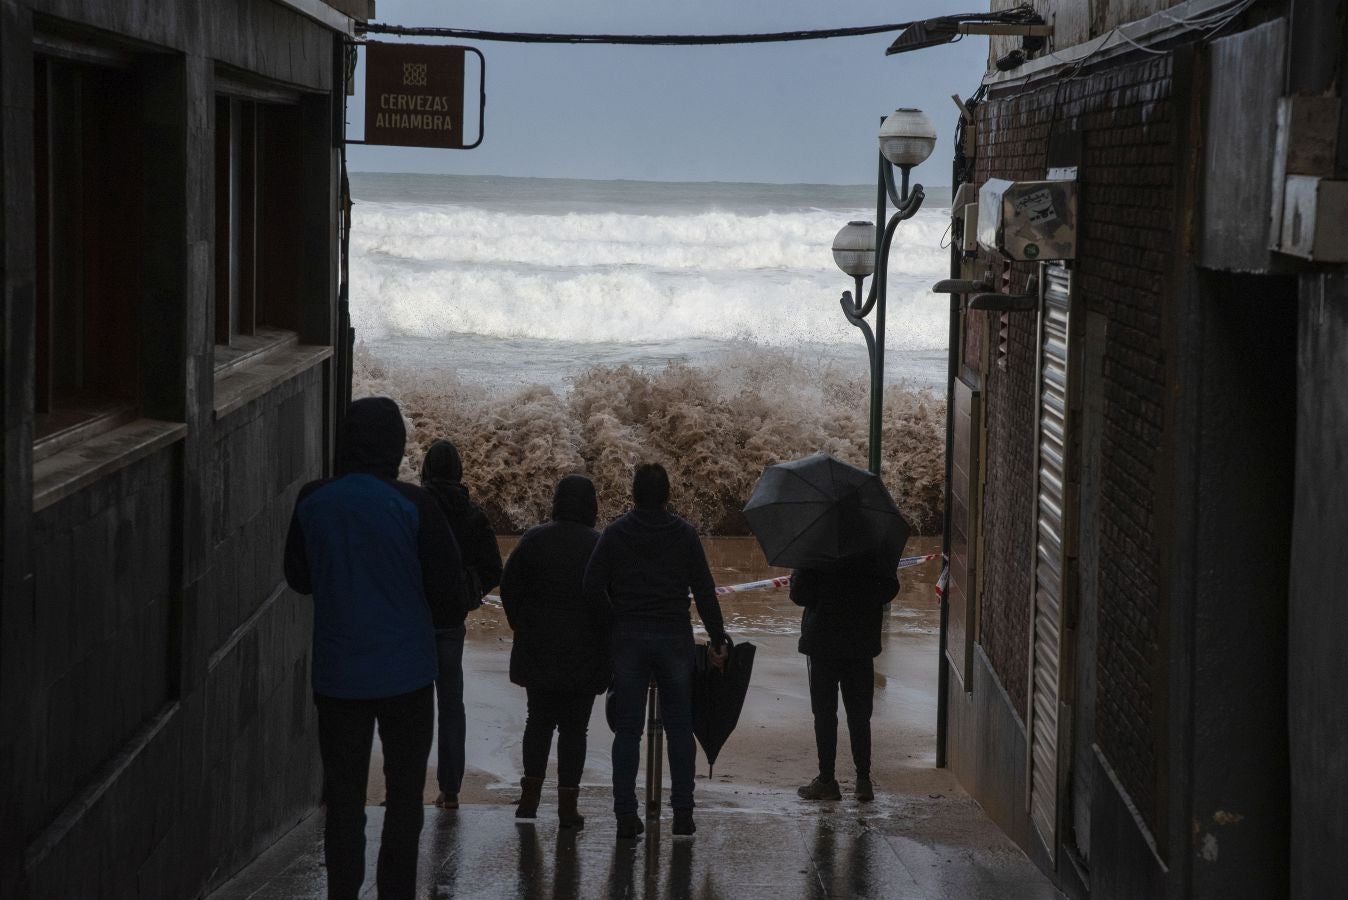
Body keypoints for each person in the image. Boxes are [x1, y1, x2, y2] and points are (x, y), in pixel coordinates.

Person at [284, 397, 461, 900]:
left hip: (338, 675)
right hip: (407, 676)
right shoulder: (415, 504)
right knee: (404, 799)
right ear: (395, 445)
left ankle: (342, 891)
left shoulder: (313, 499)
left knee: (344, 800)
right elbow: (448, 595)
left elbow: (298, 577)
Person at [584, 462, 729, 839]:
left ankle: (625, 815)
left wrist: (613, 620)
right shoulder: (684, 534)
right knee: (680, 728)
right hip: (674, 638)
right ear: (667, 495)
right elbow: (704, 590)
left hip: (629, 637)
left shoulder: (616, 532)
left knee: (628, 731)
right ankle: (682, 813)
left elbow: (591, 584)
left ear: (633, 493)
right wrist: (718, 638)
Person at [499, 474, 608, 829]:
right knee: (575, 730)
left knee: (538, 722)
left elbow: (508, 585)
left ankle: (529, 800)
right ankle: (567, 807)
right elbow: (609, 599)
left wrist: (520, 622)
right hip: (584, 651)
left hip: (539, 647)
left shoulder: (534, 538)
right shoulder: (598, 544)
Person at [420, 439, 504, 810]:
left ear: (426, 469)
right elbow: (494, 569)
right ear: (458, 471)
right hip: (451, 621)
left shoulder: (415, 508)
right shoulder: (472, 514)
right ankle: (450, 789)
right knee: (451, 705)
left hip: (415, 621)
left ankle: (404, 785)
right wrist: (469, 592)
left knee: (413, 705)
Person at [789, 558, 899, 803]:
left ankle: (827, 780)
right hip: (860, 643)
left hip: (822, 643)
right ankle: (863, 781)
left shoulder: (816, 549)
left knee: (824, 714)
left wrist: (801, 575)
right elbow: (889, 589)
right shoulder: (871, 549)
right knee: (860, 715)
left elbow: (799, 594)